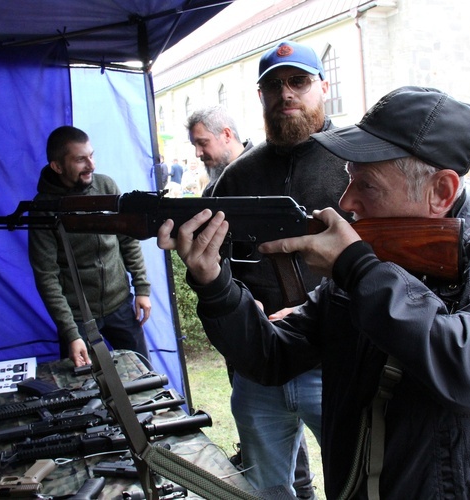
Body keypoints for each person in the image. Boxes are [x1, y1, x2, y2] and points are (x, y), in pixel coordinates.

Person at [158, 86, 470, 499]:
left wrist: (359, 270)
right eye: (349, 180)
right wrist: (214, 283)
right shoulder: (367, 260)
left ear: (441, 192)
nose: (347, 201)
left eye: (368, 186)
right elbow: (271, 357)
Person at [209, 40, 352, 498]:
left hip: (338, 361)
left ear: (322, 88)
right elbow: (222, 264)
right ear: (261, 96)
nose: (286, 93)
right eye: (274, 85)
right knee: (270, 490)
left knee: (355, 482)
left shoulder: (357, 164)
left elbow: (387, 266)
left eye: (299, 81)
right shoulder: (235, 179)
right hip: (260, 365)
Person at [28, 126, 152, 367]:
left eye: (91, 155)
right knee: (83, 388)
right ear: (57, 166)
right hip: (78, 318)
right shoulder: (43, 209)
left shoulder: (106, 186)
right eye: (80, 159)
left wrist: (142, 288)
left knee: (144, 374)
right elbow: (46, 277)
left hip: (121, 306)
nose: (91, 165)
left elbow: (128, 240)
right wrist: (71, 333)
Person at [185, 105, 253, 197]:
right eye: (195, 145)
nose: (197, 153)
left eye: (203, 143)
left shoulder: (266, 170)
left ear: (226, 135)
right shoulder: (211, 189)